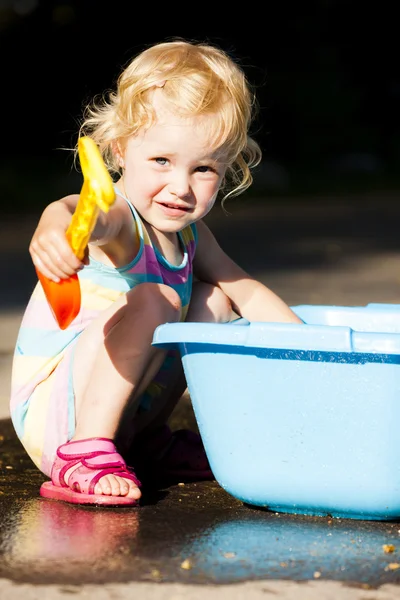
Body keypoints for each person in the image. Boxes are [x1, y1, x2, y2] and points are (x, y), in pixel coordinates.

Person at [10, 38, 303, 507]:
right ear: (120, 149)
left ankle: (149, 442)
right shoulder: (124, 219)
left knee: (214, 300)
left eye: (204, 168)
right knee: (156, 300)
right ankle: (84, 453)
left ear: (227, 167)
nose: (180, 187)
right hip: (57, 419)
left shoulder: (193, 236)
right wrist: (56, 225)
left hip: (119, 418)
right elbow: (88, 211)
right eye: (162, 161)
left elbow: (244, 288)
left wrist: (308, 352)